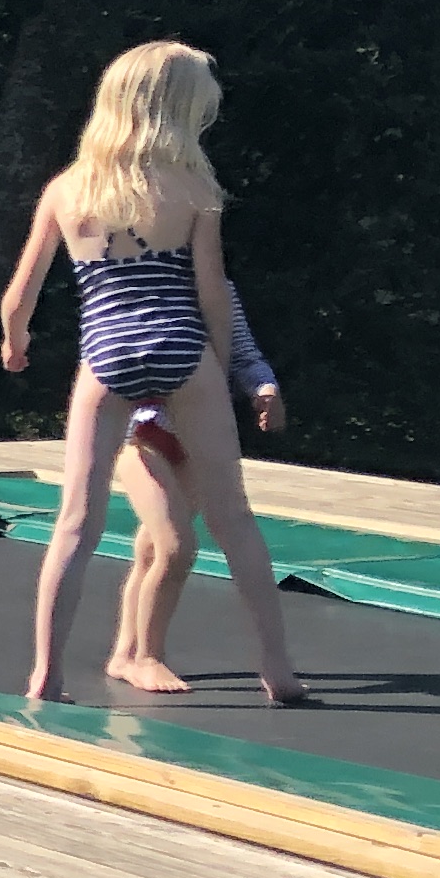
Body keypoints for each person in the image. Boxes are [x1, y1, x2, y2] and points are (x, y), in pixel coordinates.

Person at [0, 41, 306, 705]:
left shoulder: (67, 190)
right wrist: (216, 369)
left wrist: (14, 343)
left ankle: (46, 673)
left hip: (105, 355)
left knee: (76, 522)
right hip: (181, 347)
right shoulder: (193, 189)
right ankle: (277, 668)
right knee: (233, 518)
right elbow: (213, 294)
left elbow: (20, 295)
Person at [104, 284, 286, 695]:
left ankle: (123, 654)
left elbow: (245, 357)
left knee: (150, 550)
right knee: (175, 546)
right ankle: (148, 656)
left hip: (197, 439)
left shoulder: (219, 290)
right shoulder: (140, 281)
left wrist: (266, 391)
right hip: (142, 436)